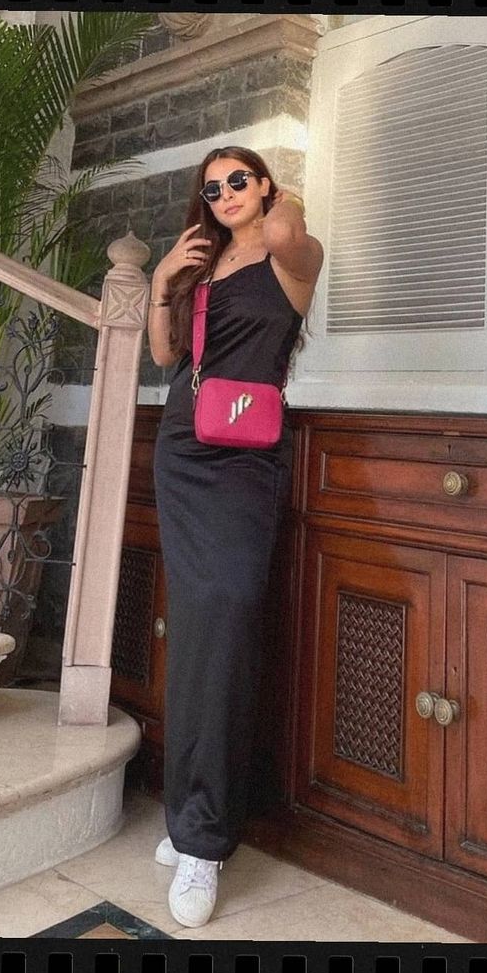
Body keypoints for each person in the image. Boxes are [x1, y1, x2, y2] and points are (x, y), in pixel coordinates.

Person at [148, 146, 323, 928]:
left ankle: (206, 840)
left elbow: (286, 234)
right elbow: (165, 355)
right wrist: (163, 278)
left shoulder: (293, 255)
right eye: (211, 187)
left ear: (265, 185)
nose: (222, 194)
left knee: (228, 614)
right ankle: (188, 815)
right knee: (196, 629)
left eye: (237, 181)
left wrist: (286, 201)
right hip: (182, 451)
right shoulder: (200, 263)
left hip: (247, 460)